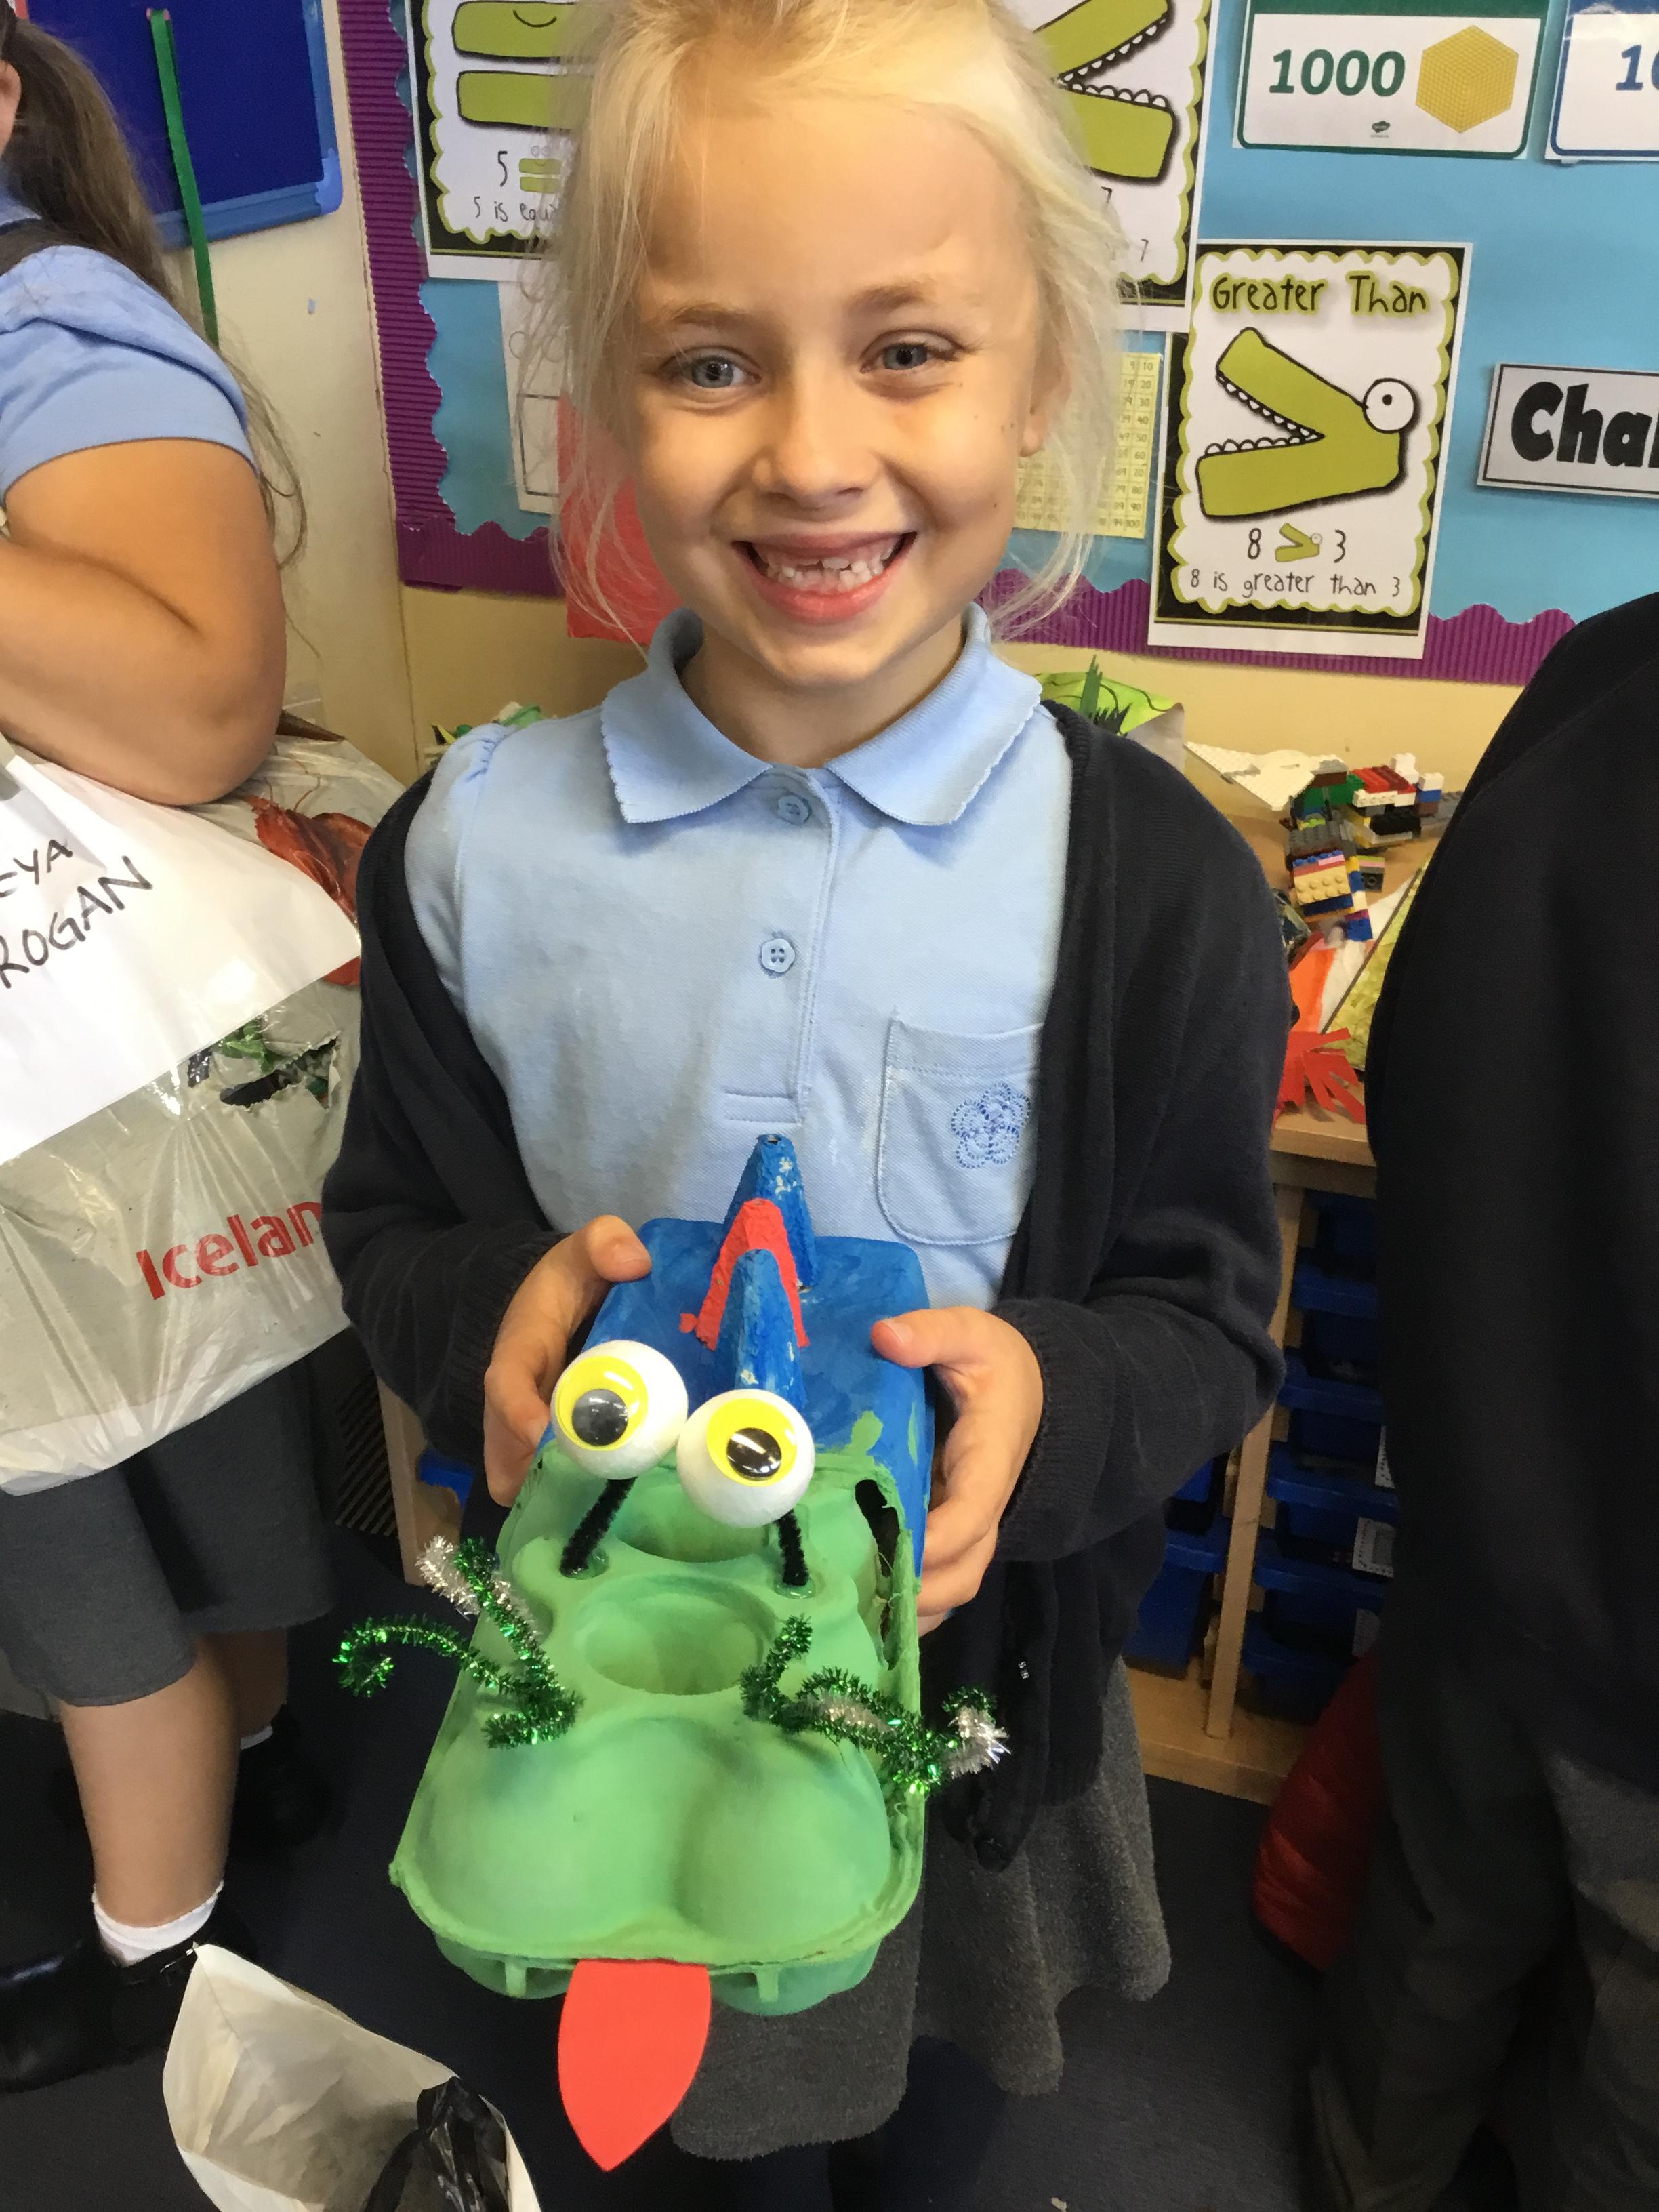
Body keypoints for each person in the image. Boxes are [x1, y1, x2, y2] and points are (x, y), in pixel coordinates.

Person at [325, 0, 1289, 2198]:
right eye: (710, 361)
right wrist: (491, 1317)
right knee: (701, 2146)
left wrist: (1047, 1389)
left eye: (907, 349)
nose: (813, 455)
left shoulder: (1150, 887)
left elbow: (1203, 1321)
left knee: (937, 2117)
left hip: (964, 1713)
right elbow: (389, 1230)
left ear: (1038, 377)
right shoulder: (473, 853)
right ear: (607, 397)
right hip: (627, 1701)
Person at [0, 7, 331, 2094]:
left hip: (64, 1066)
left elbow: (201, 702)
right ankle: (259, 1778)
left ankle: (154, 1949)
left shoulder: (49, 320)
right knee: (197, 1431)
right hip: (104, 1064)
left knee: (50, 1509)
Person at [1307, 595, 1659, 2211]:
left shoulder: (1605, 660)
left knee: (1442, 1910)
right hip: (1594, 1540)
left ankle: (1365, 2179)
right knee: (1633, 2036)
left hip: (1487, 1461)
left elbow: (1419, 1036)